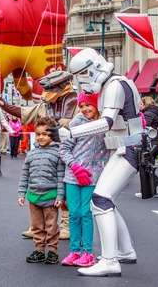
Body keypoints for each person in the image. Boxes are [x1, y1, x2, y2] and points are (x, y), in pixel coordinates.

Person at [67, 48, 145, 276]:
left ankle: (111, 259)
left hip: (127, 147)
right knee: (105, 200)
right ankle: (124, 250)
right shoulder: (117, 83)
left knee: (101, 200)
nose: (82, 81)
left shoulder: (114, 86)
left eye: (82, 75)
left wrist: (71, 133)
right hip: (125, 146)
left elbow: (107, 122)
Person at [0, 70, 78, 240]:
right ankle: (38, 226)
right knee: (40, 187)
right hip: (44, 154)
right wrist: (4, 105)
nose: (46, 94)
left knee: (64, 190)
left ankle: (65, 226)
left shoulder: (76, 104)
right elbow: (25, 113)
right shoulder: (45, 105)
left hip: (69, 154)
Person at [59, 93, 108, 267]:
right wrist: (75, 167)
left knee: (86, 214)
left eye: (88, 105)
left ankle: (88, 252)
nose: (85, 109)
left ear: (96, 104)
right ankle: (74, 251)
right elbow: (64, 149)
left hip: (93, 177)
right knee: (73, 214)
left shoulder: (106, 124)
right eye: (82, 106)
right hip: (73, 176)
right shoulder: (76, 123)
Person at [18, 117, 65, 265]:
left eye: (45, 134)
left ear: (52, 134)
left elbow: (60, 176)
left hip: (50, 196)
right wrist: (21, 193)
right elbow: (25, 174)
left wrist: (60, 195)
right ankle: (39, 250)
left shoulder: (58, 153)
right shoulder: (31, 154)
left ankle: (52, 251)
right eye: (38, 134)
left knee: (51, 226)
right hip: (33, 196)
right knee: (37, 226)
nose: (41, 137)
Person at [137, 96, 158, 197]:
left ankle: (155, 185)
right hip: (157, 142)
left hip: (151, 142)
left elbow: (145, 128)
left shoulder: (148, 114)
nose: (139, 106)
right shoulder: (156, 113)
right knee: (147, 164)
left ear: (145, 104)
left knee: (144, 164)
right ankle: (149, 189)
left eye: (140, 104)